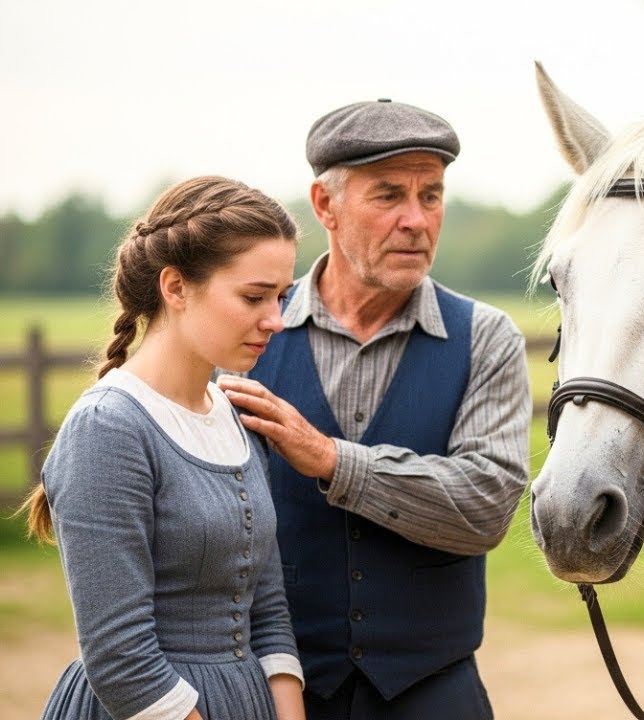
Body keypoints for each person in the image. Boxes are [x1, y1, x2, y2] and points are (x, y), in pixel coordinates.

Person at [215, 98, 530, 720]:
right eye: (388, 196)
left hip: (434, 690)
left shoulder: (486, 338)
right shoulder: (248, 334)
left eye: (431, 196)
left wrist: (331, 459)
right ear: (325, 205)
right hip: (276, 690)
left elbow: (487, 505)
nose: (416, 220)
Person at [21, 176, 304, 720]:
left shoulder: (235, 415)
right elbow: (121, 658)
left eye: (281, 296)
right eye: (254, 296)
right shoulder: (109, 428)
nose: (276, 319)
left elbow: (266, 609)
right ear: (175, 287)